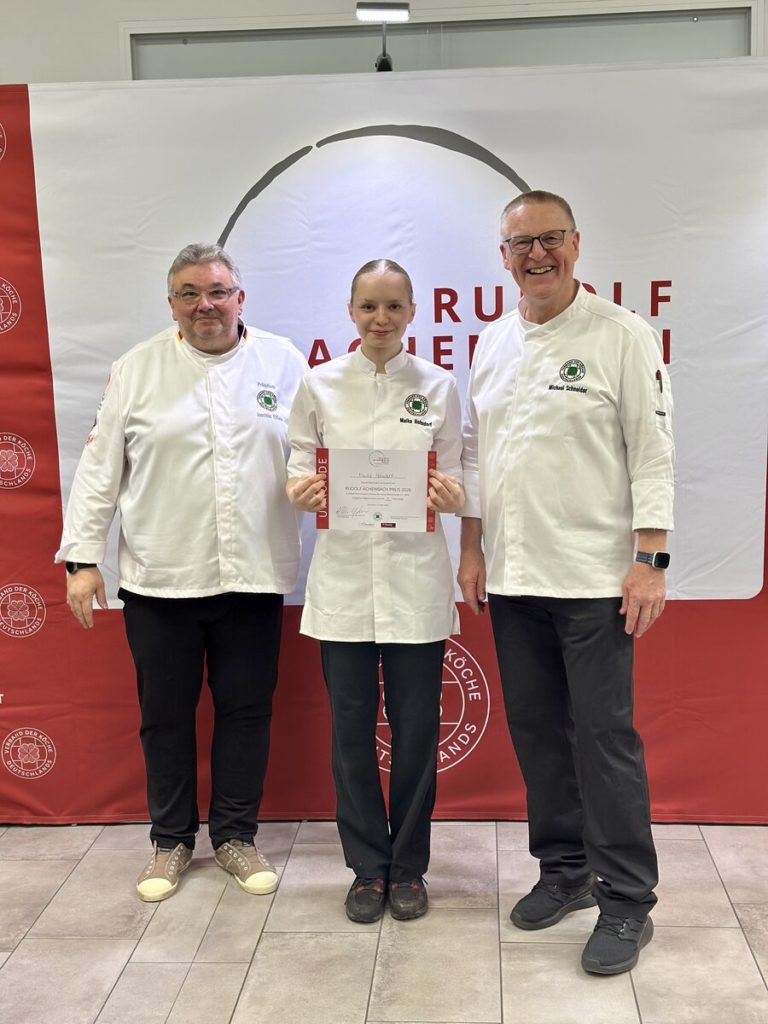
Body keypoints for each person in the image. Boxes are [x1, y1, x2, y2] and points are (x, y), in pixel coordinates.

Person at [458, 191, 674, 974]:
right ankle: (565, 870)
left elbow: (652, 449)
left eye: (550, 238)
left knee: (604, 739)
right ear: (503, 255)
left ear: (576, 244)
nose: (537, 254)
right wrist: (472, 549)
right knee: (539, 735)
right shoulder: (492, 340)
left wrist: (651, 559)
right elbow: (476, 455)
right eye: (521, 243)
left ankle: (627, 901)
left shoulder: (621, 334)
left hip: (593, 580)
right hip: (514, 578)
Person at [56, 243, 308, 902]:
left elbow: (315, 456)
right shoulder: (136, 369)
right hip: (160, 577)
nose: (205, 305)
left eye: (218, 291)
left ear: (240, 298)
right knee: (164, 717)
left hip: (253, 575)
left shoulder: (284, 362)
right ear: (172, 304)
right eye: (189, 293)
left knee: (246, 712)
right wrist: (82, 559)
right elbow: (98, 469)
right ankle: (169, 842)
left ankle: (235, 836)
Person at [286, 259, 464, 923]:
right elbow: (297, 466)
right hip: (344, 585)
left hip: (415, 583)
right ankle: (367, 869)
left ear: (413, 312)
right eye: (369, 306)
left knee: (417, 734)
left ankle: (408, 868)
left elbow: (458, 473)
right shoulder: (320, 384)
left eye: (393, 306)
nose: (381, 319)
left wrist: (449, 494)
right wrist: (303, 490)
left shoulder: (439, 386)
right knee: (351, 735)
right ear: (351, 311)